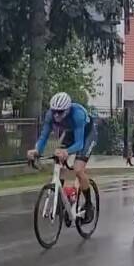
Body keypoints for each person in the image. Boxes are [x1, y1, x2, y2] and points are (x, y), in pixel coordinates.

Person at [26, 92, 98, 224]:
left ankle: (88, 205)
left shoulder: (77, 115)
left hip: (87, 134)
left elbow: (79, 144)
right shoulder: (50, 115)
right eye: (54, 112)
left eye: (60, 112)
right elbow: (44, 137)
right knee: (59, 160)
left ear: (68, 109)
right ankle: (65, 197)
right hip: (70, 133)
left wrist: (67, 151)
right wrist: (36, 151)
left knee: (77, 169)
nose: (57, 115)